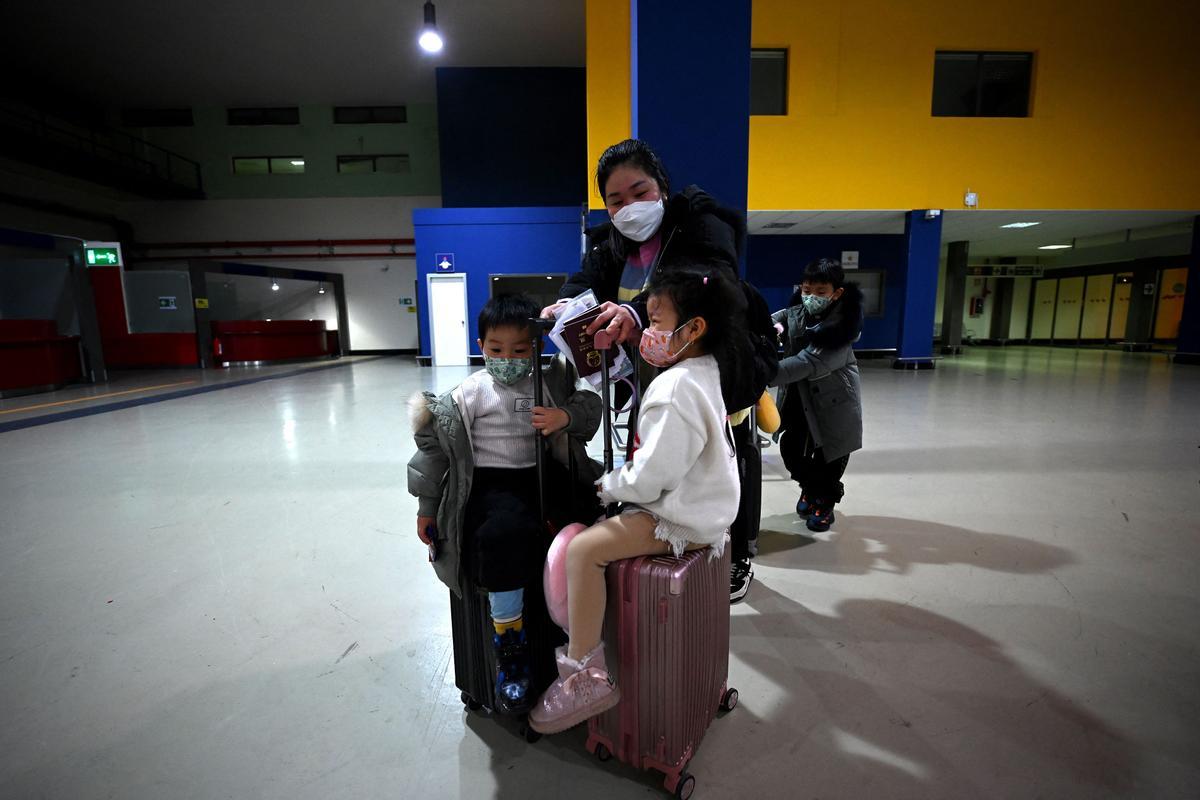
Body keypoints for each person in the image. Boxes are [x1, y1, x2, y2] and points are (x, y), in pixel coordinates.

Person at [540, 138, 770, 602]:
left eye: (639, 192)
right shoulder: (610, 244)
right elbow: (584, 281)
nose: (629, 207)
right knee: (662, 449)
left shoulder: (703, 224)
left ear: (662, 187)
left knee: (723, 453)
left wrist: (639, 312)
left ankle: (735, 550)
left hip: (712, 361)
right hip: (650, 368)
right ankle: (662, 523)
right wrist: (568, 302)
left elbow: (708, 281)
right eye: (616, 200)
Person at [528, 268, 747, 735]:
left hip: (680, 519)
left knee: (586, 549)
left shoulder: (673, 388)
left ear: (694, 328)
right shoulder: (704, 371)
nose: (647, 333)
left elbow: (651, 478)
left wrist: (610, 486)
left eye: (656, 320)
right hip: (709, 509)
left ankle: (586, 675)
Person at [407, 294, 602, 715]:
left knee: (588, 528)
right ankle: (509, 649)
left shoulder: (547, 383)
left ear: (536, 347)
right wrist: (427, 506)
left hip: (542, 476)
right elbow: (434, 451)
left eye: (519, 350)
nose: (508, 359)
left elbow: (591, 407)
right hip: (491, 485)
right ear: (481, 346)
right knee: (502, 539)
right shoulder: (472, 392)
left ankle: (581, 639)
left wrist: (563, 417)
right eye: (496, 350)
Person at [770, 258, 864, 533]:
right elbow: (782, 317)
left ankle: (825, 501)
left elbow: (806, 363)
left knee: (830, 457)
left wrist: (759, 373)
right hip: (799, 398)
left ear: (837, 293)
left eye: (820, 292)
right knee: (791, 449)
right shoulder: (798, 310)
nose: (811, 297)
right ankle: (810, 489)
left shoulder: (841, 329)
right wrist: (770, 326)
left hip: (834, 403)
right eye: (806, 289)